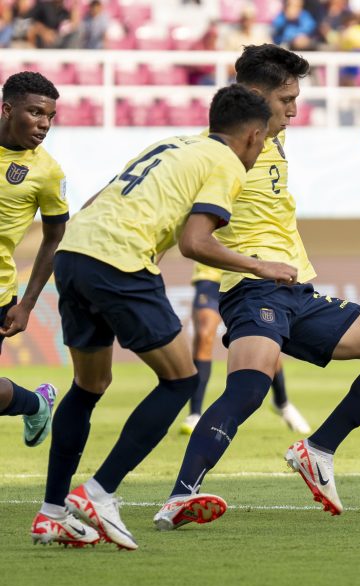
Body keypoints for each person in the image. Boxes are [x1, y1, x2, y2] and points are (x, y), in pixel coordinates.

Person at [153, 44, 360, 532]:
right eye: (287, 100)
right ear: (254, 98)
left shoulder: (271, 139)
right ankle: (180, 496)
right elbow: (183, 226)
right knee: (249, 388)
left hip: (299, 292)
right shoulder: (214, 154)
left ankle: (317, 449)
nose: (295, 111)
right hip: (252, 291)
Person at [30, 84, 289, 550]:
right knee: (181, 380)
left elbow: (92, 204)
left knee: (89, 387)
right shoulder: (227, 164)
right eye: (265, 139)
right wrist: (259, 264)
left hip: (74, 253)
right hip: (120, 261)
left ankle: (51, 515)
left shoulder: (170, 143)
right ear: (253, 136)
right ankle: (99, 493)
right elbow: (195, 243)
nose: (263, 149)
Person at [0, 72, 66, 450]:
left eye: (50, 116)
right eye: (36, 112)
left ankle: (35, 404)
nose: (44, 124)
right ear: (8, 109)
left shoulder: (47, 172)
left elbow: (55, 238)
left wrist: (26, 304)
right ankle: (35, 402)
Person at [182, 261, 311, 434]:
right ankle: (195, 414)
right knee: (204, 334)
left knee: (264, 338)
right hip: (212, 274)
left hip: (248, 275)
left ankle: (282, 402)